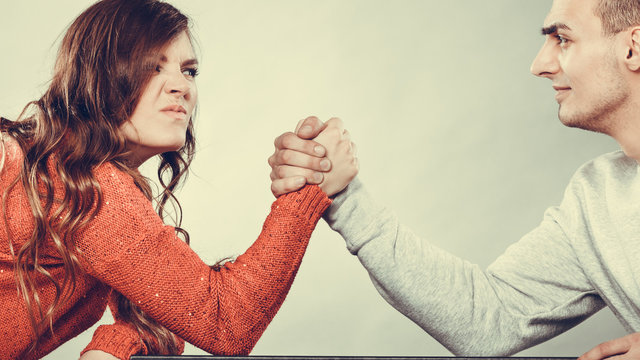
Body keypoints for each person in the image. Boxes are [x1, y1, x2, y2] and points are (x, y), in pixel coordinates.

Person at [267, 0, 640, 359]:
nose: (539, 64)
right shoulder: (598, 197)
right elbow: (489, 319)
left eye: (563, 39)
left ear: (633, 49)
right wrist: (342, 193)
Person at [0, 0, 358, 358]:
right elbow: (226, 321)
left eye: (189, 71)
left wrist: (117, 345)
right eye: (151, 67)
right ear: (97, 76)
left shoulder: (78, 177)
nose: (181, 87)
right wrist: (312, 186)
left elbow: (176, 309)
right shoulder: (72, 180)